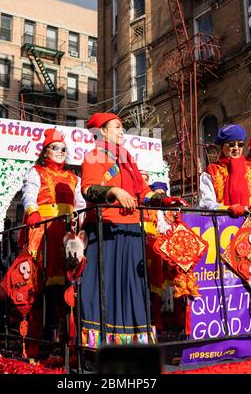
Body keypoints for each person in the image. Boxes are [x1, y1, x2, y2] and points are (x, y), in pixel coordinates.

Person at [80, 112, 188, 349]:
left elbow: (143, 191)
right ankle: (99, 343)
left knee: (132, 286)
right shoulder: (93, 156)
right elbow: (87, 190)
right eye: (117, 127)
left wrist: (164, 201)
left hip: (131, 229)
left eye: (122, 128)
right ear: (102, 131)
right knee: (106, 286)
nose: (122, 132)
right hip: (106, 230)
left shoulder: (127, 158)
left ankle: (132, 343)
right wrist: (113, 192)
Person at [20, 128, 85, 357]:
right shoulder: (36, 171)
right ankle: (38, 342)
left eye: (63, 149)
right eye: (55, 148)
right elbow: (29, 195)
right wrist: (32, 212)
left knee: (66, 287)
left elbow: (80, 204)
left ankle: (65, 341)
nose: (60, 152)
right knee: (39, 286)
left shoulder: (73, 178)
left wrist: (79, 219)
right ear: (45, 150)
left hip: (66, 234)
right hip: (45, 231)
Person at [199, 124, 251, 215]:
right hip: (223, 224)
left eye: (240, 145)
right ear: (222, 146)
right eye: (231, 144)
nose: (236, 148)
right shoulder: (211, 171)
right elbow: (206, 203)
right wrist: (228, 209)